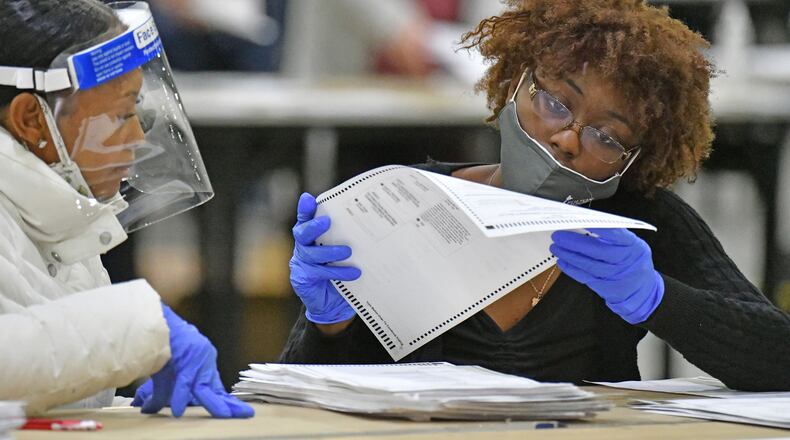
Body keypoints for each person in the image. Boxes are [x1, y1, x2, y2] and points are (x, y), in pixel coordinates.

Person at [281, 0, 790, 390]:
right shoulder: (406, 199)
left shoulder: (638, 220)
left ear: (637, 159)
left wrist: (660, 299)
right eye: (553, 102)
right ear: (513, 85)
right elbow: (307, 394)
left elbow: (779, 356)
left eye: (607, 137)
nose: (567, 138)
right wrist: (330, 325)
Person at [0, 0, 253, 417]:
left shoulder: (62, 227)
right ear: (30, 119)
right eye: (119, 115)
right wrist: (141, 330)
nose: (137, 137)